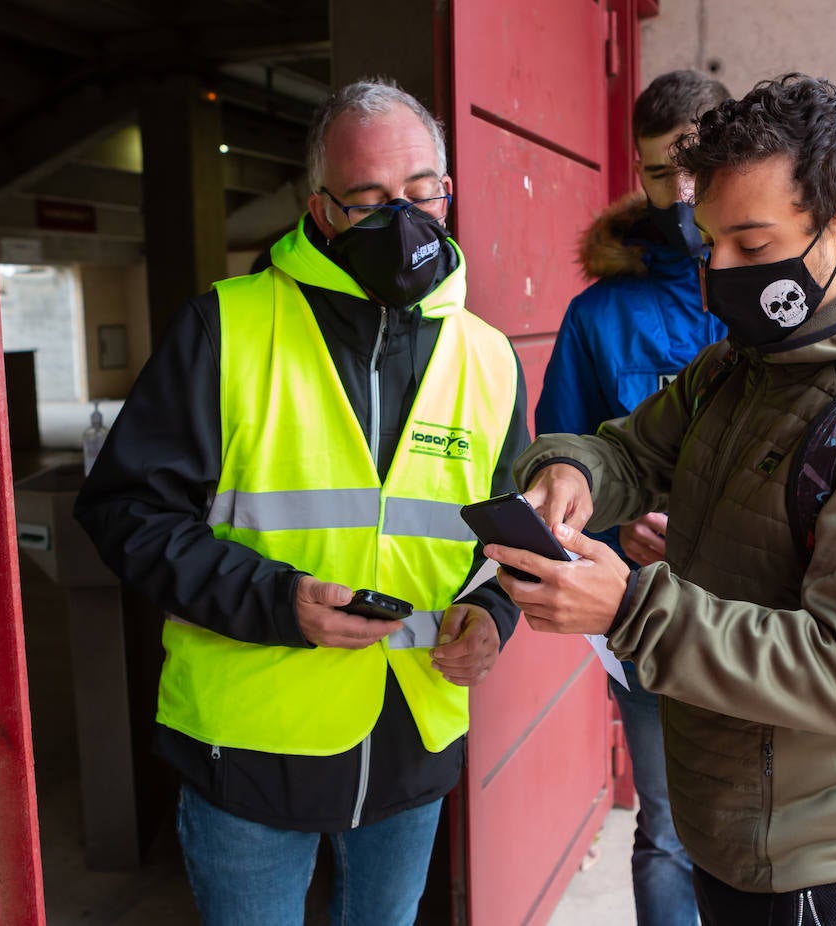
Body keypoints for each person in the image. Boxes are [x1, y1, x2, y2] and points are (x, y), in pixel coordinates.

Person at [490, 74, 836, 924]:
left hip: (833, 868)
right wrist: (570, 470)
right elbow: (629, 450)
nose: (716, 271)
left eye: (751, 245)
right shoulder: (741, 365)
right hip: (734, 837)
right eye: (710, 240)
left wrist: (630, 610)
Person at [74, 79, 529, 926]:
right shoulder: (224, 328)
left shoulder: (491, 357)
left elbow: (505, 536)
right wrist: (276, 600)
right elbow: (126, 512)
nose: (405, 217)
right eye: (370, 199)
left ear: (447, 189)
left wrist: (495, 616)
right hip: (251, 750)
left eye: (422, 190)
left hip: (411, 741)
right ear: (320, 209)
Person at [534, 69, 728, 926]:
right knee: (670, 833)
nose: (679, 192)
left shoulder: (778, 299)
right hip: (644, 618)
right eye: (658, 172)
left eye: (694, 165)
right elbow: (563, 459)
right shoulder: (598, 316)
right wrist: (619, 523)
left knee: (779, 838)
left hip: (771, 617)